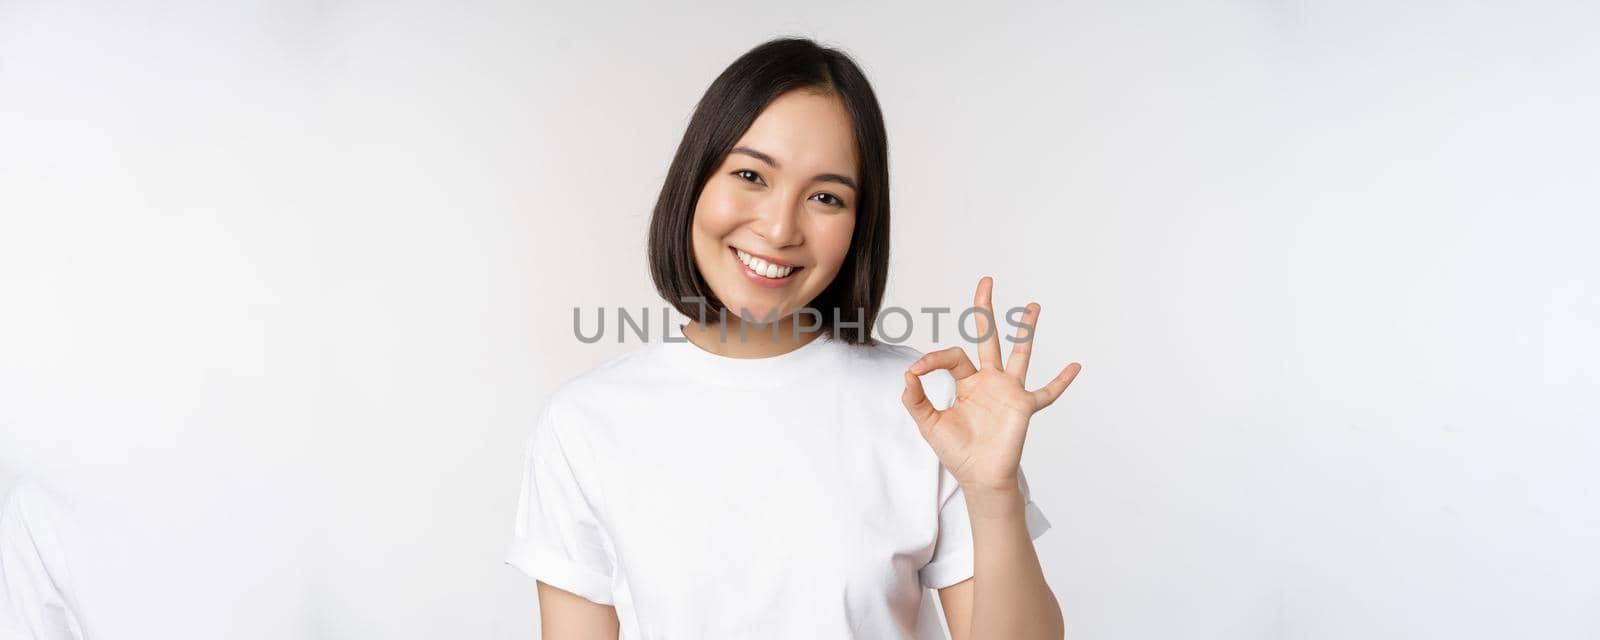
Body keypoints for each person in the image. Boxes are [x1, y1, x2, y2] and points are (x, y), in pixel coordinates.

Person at [505, 36, 1082, 639]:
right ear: (696, 178)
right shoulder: (584, 423)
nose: (780, 228)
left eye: (826, 197)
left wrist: (992, 494)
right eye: (751, 174)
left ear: (860, 225)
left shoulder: (927, 407)